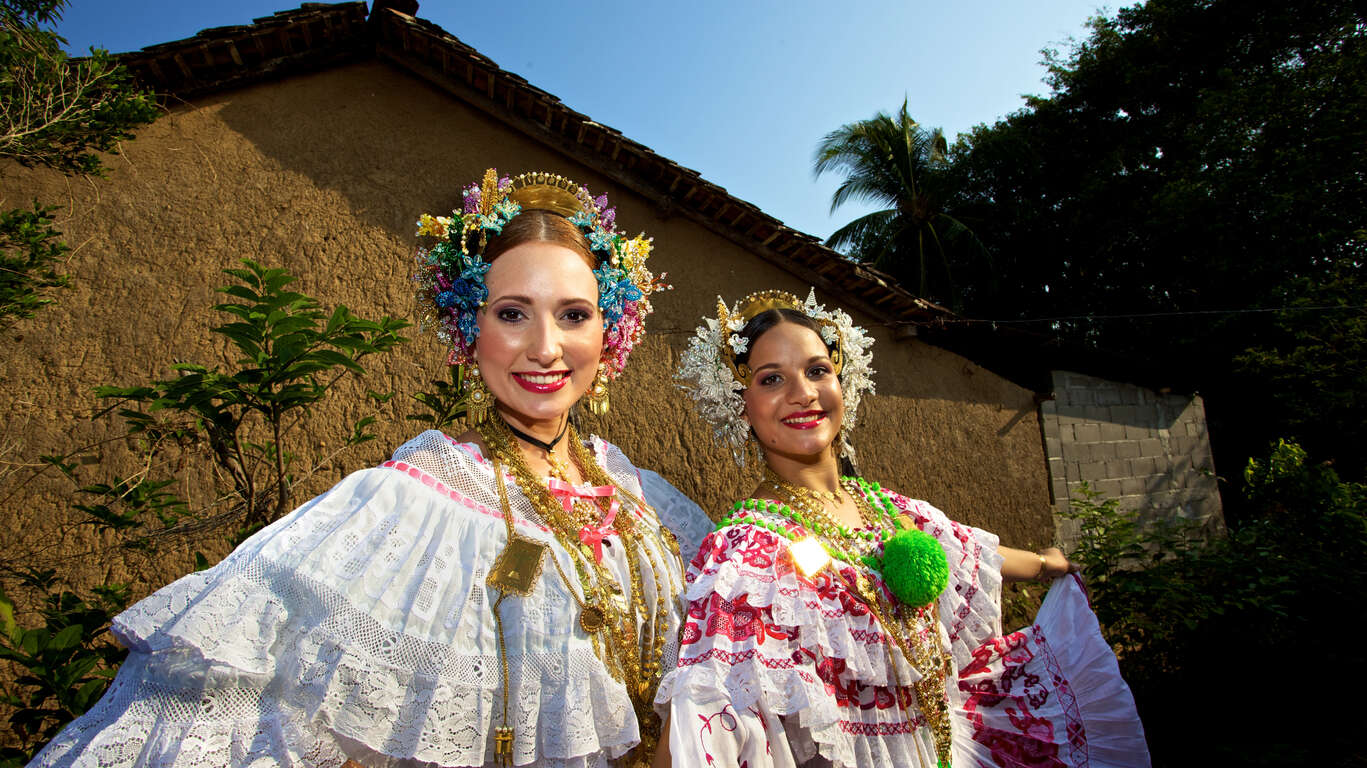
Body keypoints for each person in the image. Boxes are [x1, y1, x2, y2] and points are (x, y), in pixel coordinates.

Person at [29, 169, 707, 768]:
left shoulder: (654, 503)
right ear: (467, 331)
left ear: (609, 332)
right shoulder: (406, 505)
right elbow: (266, 703)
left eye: (573, 315)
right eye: (511, 314)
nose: (545, 346)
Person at [660, 289, 1150, 768]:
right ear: (736, 403)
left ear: (842, 383)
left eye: (816, 370)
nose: (804, 393)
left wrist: (1047, 563)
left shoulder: (889, 508)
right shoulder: (749, 550)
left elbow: (973, 552)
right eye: (771, 379)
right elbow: (704, 708)